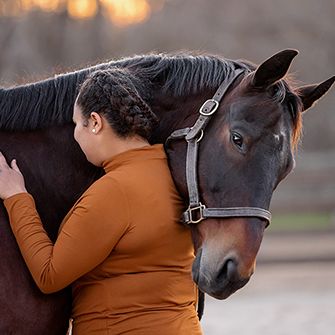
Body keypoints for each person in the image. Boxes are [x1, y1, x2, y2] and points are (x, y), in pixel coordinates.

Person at [0, 68, 202, 335]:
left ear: (95, 122)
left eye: (76, 124)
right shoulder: (174, 175)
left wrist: (17, 198)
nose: (75, 136)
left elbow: (50, 275)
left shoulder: (113, 192)